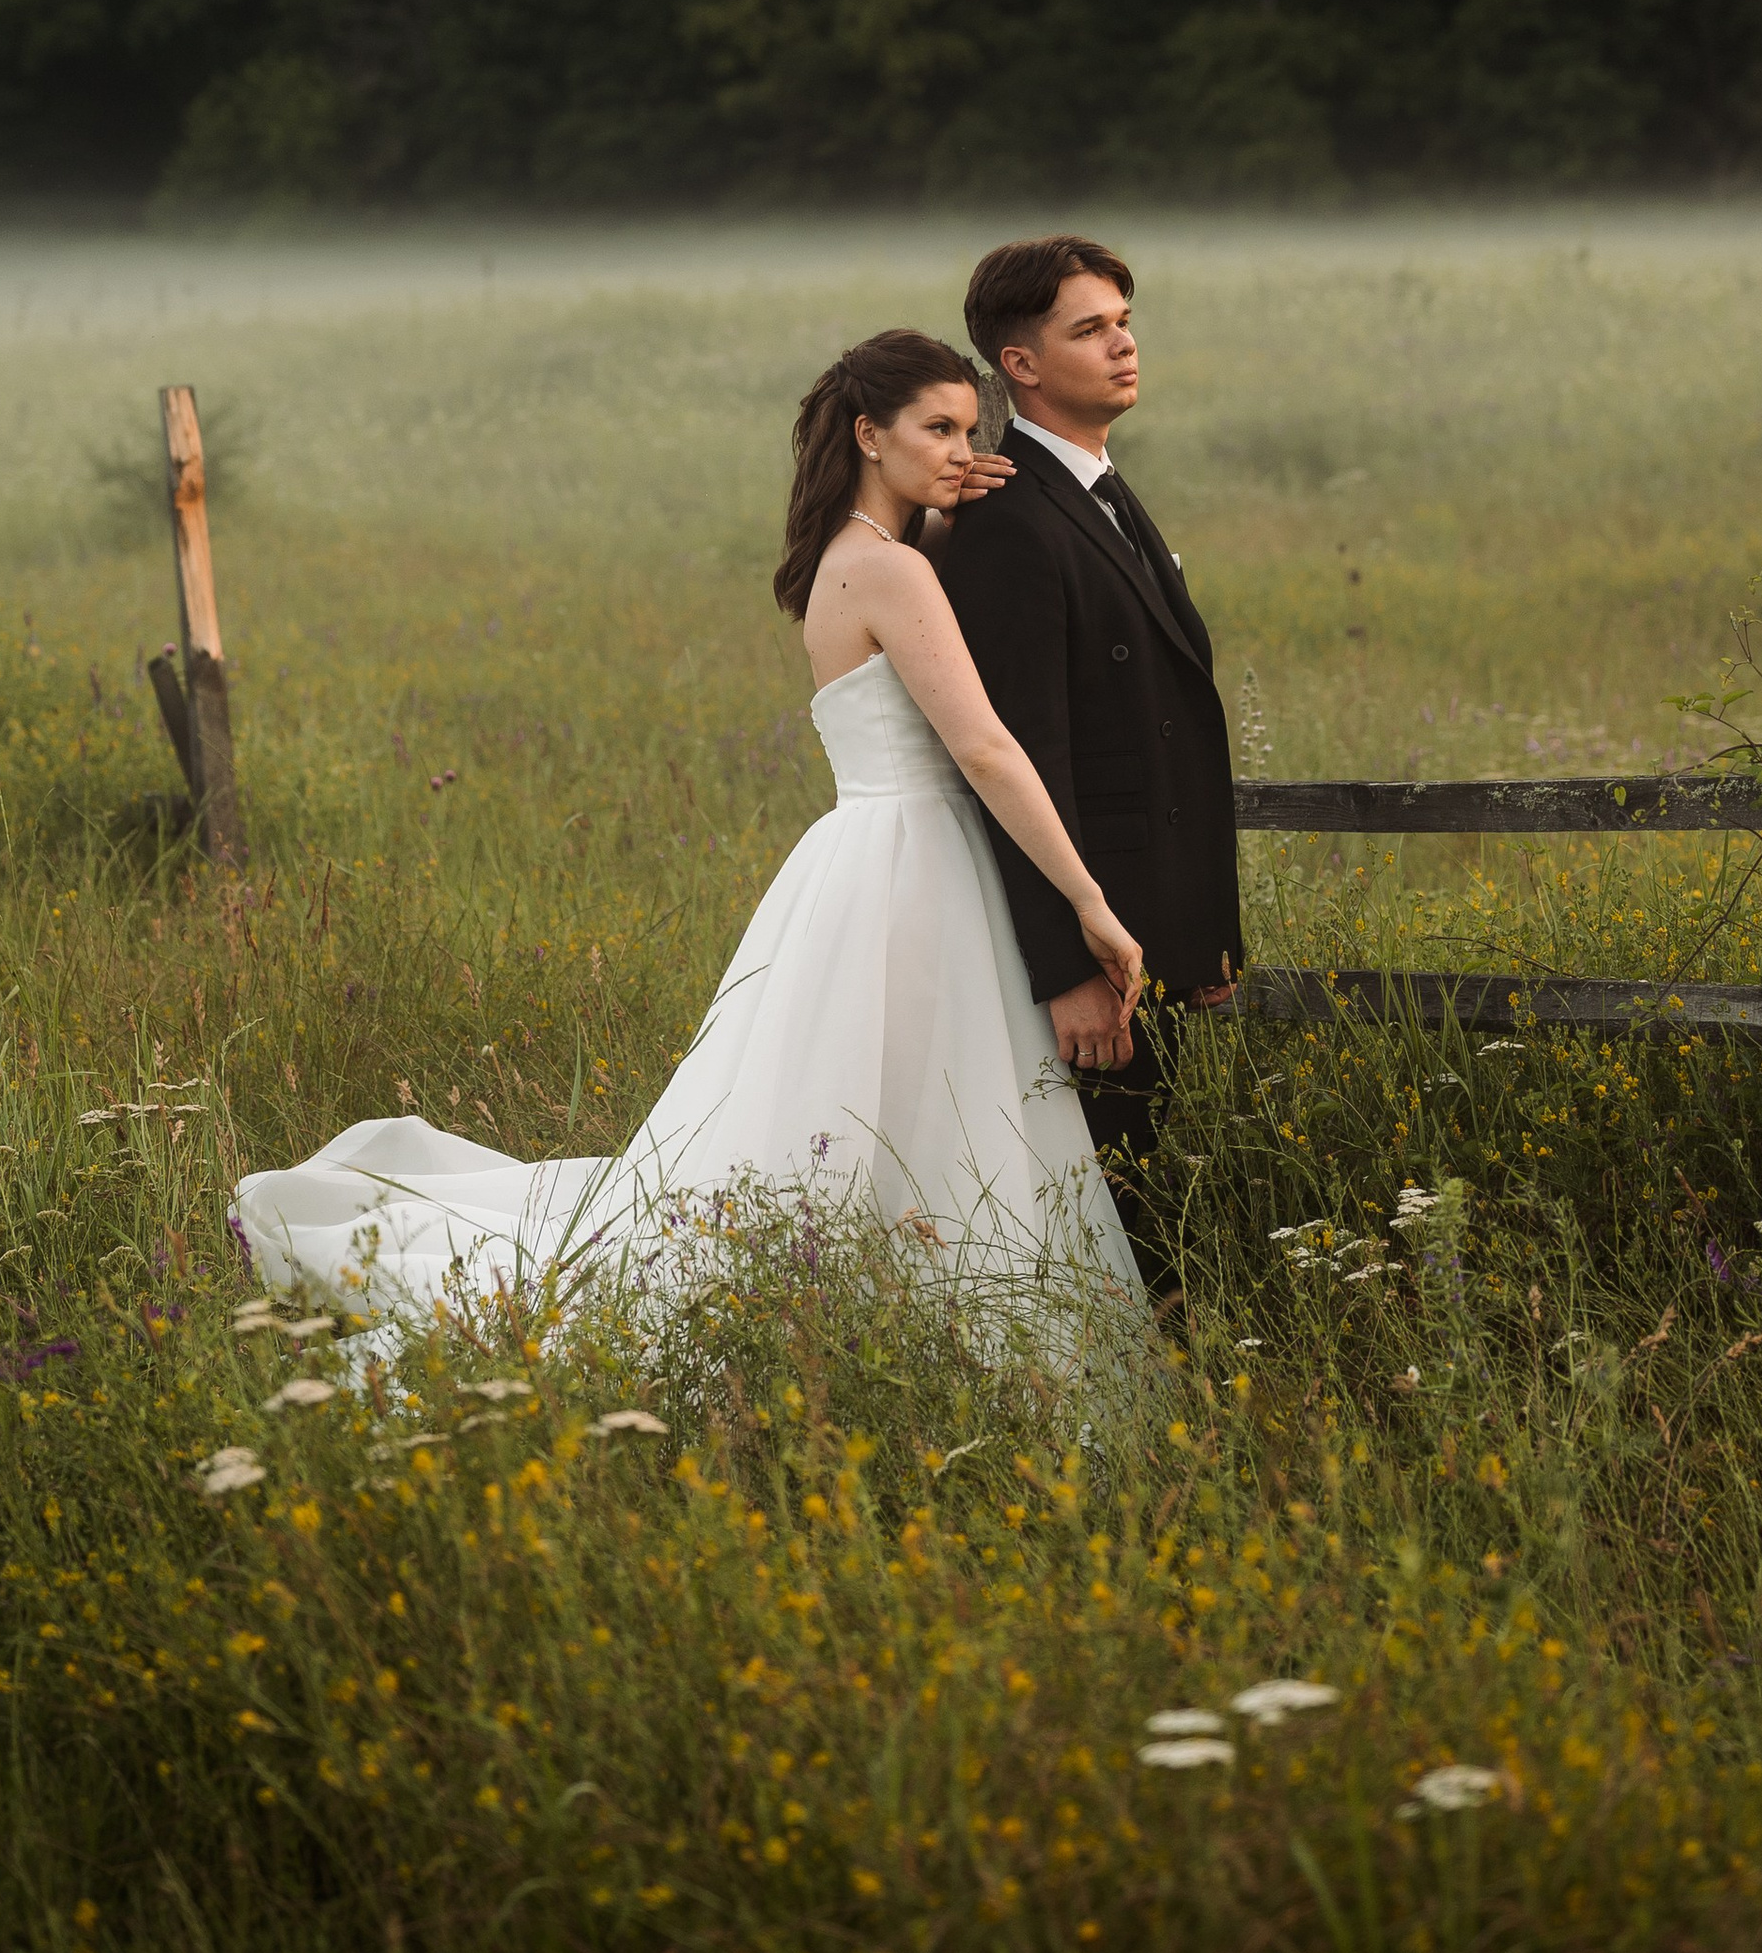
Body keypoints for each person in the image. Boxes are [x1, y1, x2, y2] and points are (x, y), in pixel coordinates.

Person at [233, 330, 1145, 1323]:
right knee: (916, 1099)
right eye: (936, 428)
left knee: (882, 1102)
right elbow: (985, 749)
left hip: (873, 856)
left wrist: (958, 520)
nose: (960, 452)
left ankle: (886, 1305)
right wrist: (1087, 901)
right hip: (913, 863)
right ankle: (916, 1308)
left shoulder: (869, 554)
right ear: (867, 435)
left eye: (970, 430)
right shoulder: (889, 570)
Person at [933, 237, 1243, 1296]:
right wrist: (1066, 967)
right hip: (1086, 952)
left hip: (1149, 922)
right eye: (1089, 327)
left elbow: (1165, 729)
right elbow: (1020, 756)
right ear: (1018, 364)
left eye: (1123, 319)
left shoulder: (1102, 486)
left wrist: (1203, 929)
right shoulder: (1002, 521)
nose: (1122, 342)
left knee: (1140, 1180)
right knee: (1104, 1203)